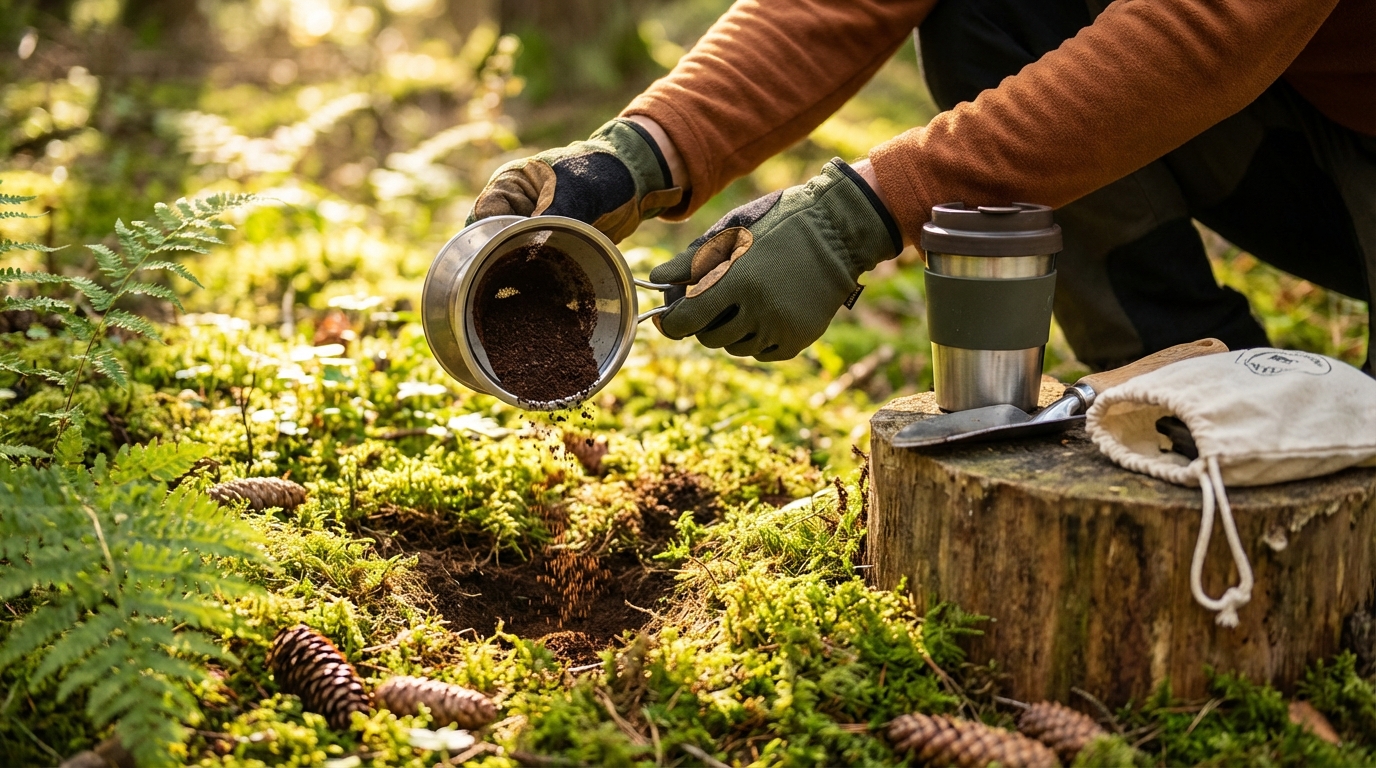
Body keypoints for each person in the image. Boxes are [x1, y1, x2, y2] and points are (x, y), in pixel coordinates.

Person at [467, 0, 1376, 373]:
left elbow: (1210, 30)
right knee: (991, 11)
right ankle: (1200, 383)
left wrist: (860, 213)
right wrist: (639, 155)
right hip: (1294, 129)